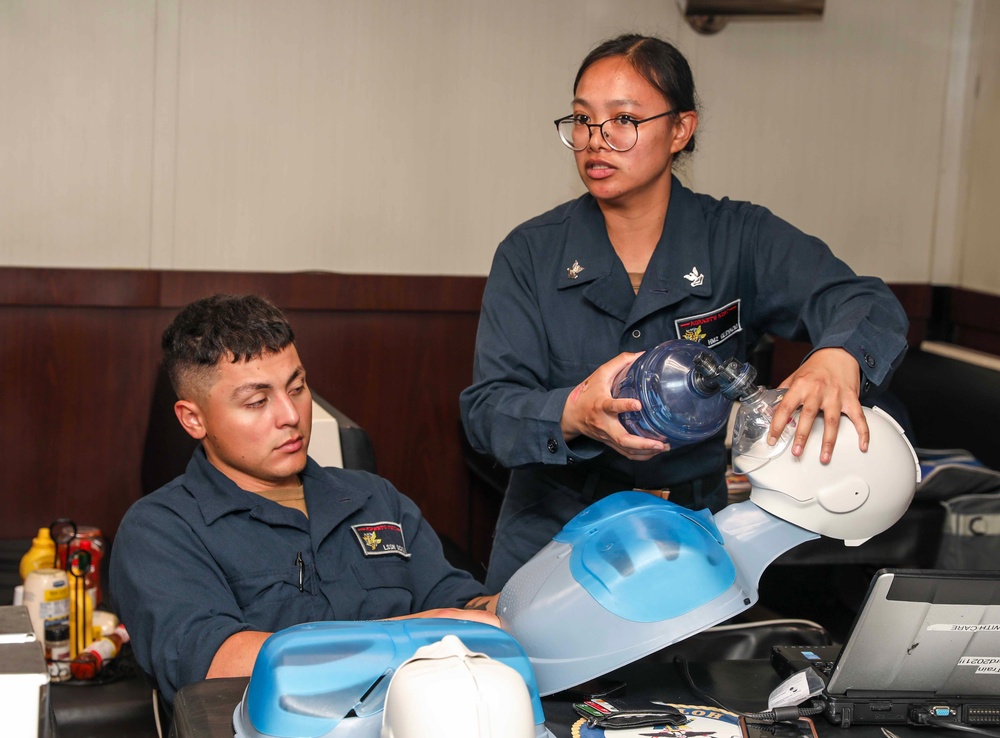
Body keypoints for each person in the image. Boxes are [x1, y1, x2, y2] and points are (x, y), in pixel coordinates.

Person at [460, 33, 909, 591]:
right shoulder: (530, 252)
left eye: (623, 119)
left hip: (692, 537)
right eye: (582, 120)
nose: (595, 141)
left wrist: (837, 358)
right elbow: (487, 410)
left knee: (689, 678)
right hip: (554, 534)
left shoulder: (737, 237)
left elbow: (864, 300)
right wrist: (572, 412)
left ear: (680, 129)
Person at [110, 294, 497, 707]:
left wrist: (521, 603)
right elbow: (216, 662)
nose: (290, 415)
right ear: (193, 419)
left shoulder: (374, 498)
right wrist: (408, 636)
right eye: (257, 402)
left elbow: (461, 606)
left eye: (297, 388)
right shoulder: (161, 529)